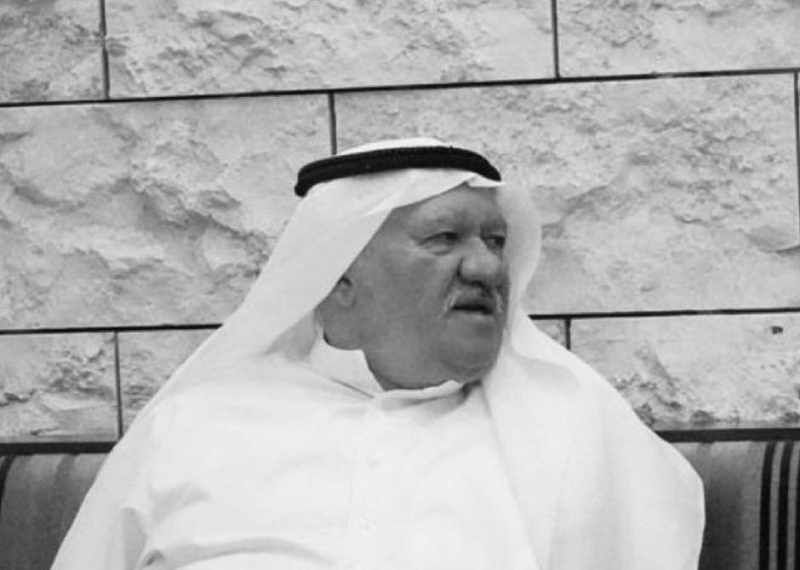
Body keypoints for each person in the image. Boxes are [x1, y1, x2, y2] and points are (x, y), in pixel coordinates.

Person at [52, 138, 704, 570]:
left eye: (496, 241)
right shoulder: (193, 426)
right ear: (338, 280)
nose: (486, 267)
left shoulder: (569, 426)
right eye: (444, 238)